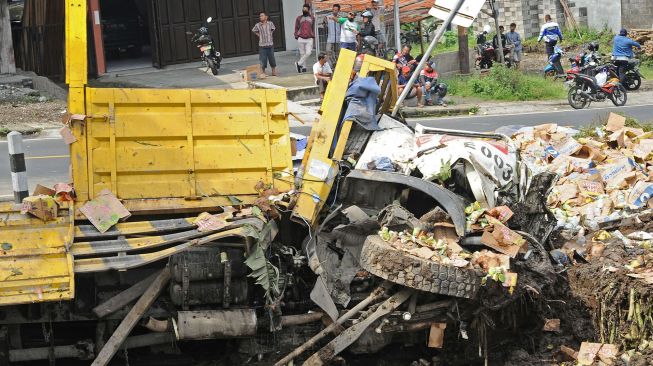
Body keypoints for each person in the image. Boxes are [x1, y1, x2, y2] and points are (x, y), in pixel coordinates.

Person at [252, 12, 277, 77]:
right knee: (263, 59)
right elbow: (253, 30)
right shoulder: (258, 25)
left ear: (266, 17)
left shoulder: (270, 23)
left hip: (270, 45)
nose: (260, 17)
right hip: (262, 46)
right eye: (260, 16)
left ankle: (273, 71)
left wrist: (270, 34)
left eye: (262, 16)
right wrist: (259, 35)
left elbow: (273, 29)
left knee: (272, 58)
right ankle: (263, 72)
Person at [294, 4, 315, 73]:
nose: (304, 10)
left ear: (308, 10)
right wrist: (296, 35)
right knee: (302, 53)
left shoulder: (312, 18)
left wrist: (313, 35)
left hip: (309, 38)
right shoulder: (298, 18)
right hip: (301, 38)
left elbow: (313, 27)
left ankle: (298, 64)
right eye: (303, 9)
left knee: (308, 53)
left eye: (305, 9)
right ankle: (303, 67)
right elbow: (296, 27)